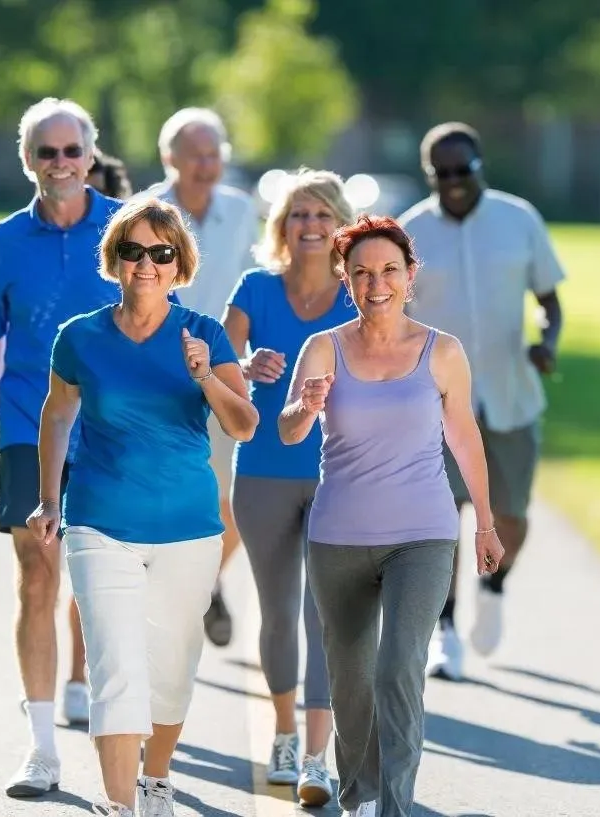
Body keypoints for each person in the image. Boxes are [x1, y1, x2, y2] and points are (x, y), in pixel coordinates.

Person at [27, 196, 258, 817]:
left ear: (179, 264)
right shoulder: (79, 338)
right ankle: (121, 805)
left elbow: (244, 425)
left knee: (172, 668)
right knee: (115, 666)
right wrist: (49, 499)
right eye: (134, 251)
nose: (147, 264)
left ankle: (158, 780)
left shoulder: (204, 334)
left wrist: (207, 376)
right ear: (116, 260)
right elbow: (56, 414)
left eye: (162, 253)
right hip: (101, 521)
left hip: (189, 529)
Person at [279, 215, 504, 817]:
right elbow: (288, 427)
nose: (375, 283)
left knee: (399, 668)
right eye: (361, 273)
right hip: (338, 538)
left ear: (410, 276)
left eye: (388, 271)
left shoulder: (443, 351)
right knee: (351, 684)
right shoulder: (323, 348)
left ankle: (394, 807)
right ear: (345, 280)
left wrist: (483, 521)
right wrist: (305, 405)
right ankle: (360, 794)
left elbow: (465, 438)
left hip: (424, 536)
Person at [0, 96, 123, 797]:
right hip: (30, 426)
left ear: (91, 156)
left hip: (115, 429)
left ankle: (94, 689)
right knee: (38, 573)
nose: (59, 164)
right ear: (27, 159)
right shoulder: (5, 239)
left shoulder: (127, 230)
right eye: (45, 151)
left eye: (71, 151)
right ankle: (40, 749)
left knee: (105, 577)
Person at [398, 121, 566, 682]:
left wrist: (547, 341)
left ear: (480, 165)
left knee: (512, 517)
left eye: (461, 171)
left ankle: (493, 584)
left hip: (511, 395)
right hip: (438, 402)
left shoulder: (518, 219)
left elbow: (549, 300)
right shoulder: (411, 232)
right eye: (440, 174)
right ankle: (445, 630)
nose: (452, 183)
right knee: (444, 519)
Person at [222, 168, 356, 805]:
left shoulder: (360, 297)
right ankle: (281, 734)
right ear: (281, 226)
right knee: (277, 610)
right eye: (299, 215)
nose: (311, 226)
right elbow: (213, 368)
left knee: (324, 614)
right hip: (264, 474)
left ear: (342, 226)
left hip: (339, 475)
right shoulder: (254, 289)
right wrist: (245, 367)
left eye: (323, 214)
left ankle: (316, 756)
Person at [143, 107, 262, 648]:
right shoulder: (145, 212)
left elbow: (256, 286)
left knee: (233, 503)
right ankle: (169, 601)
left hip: (224, 377)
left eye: (214, 155)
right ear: (171, 159)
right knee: (167, 496)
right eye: (195, 156)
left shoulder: (240, 211)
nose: (206, 166)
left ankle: (206, 580)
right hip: (158, 383)